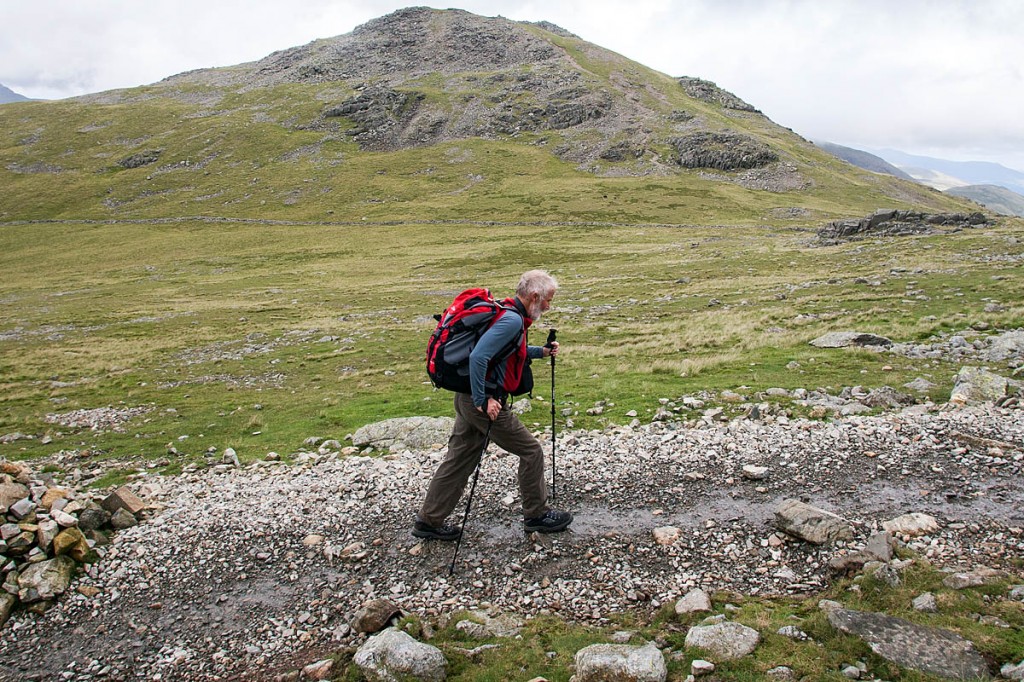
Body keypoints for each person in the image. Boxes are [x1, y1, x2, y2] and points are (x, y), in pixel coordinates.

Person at [413, 269, 573, 540]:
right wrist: (482, 400)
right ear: (535, 296)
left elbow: (506, 352)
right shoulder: (511, 320)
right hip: (483, 401)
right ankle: (537, 514)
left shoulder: (507, 312)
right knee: (531, 451)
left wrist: (541, 352)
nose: (548, 306)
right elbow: (478, 357)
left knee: (460, 458)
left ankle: (429, 520)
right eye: (547, 300)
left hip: (465, 396)